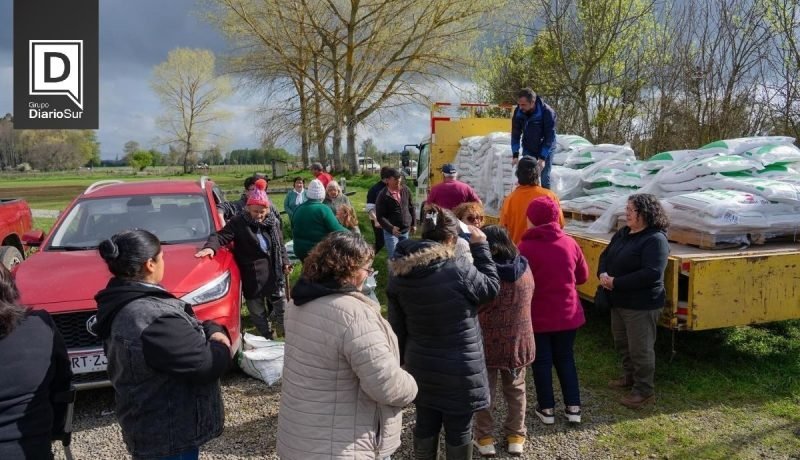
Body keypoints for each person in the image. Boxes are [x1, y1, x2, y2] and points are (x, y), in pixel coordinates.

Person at [278, 232, 418, 459]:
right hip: (342, 444)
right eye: (367, 269)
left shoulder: (297, 303)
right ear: (349, 269)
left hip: (300, 434)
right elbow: (385, 385)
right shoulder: (354, 315)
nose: (368, 275)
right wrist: (411, 385)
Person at [94, 229, 231, 460]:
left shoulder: (120, 299)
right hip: (169, 434)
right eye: (162, 257)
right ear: (150, 264)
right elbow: (205, 365)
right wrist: (218, 337)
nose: (163, 262)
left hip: (149, 424)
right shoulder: (150, 316)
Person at [387, 205, 500, 460]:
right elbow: (491, 289)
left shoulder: (399, 273)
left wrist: (401, 362)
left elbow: (397, 327)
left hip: (421, 362)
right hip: (460, 366)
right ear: (451, 238)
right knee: (459, 428)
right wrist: (481, 248)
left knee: (425, 421)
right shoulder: (458, 269)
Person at [518, 196, 589, 426]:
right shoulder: (570, 243)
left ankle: (546, 408)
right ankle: (573, 407)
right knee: (566, 359)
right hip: (568, 314)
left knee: (542, 362)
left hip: (538, 316)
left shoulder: (524, 247)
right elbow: (583, 277)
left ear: (532, 219)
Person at [598, 193, 669, 409]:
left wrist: (616, 282)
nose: (626, 213)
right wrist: (602, 274)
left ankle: (644, 391)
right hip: (618, 300)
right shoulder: (623, 233)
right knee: (622, 343)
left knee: (641, 348)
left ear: (645, 213)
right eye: (627, 209)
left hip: (641, 304)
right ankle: (629, 377)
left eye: (631, 210)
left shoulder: (655, 239)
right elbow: (605, 255)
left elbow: (651, 273)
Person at [196, 179, 291, 339]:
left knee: (281, 306)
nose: (259, 216)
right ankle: (266, 336)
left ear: (267, 210)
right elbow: (220, 237)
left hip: (274, 274)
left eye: (262, 212)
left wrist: (286, 262)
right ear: (247, 208)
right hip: (253, 275)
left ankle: (285, 333)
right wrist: (210, 247)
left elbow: (280, 246)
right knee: (257, 310)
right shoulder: (239, 222)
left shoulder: (272, 223)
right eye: (255, 212)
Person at [472, 225, 535, 457]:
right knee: (517, 391)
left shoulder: (483, 273)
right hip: (519, 341)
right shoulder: (524, 267)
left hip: (487, 343)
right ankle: (516, 436)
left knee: (484, 393)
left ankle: (485, 438)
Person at [0, 265, 72, 460]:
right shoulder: (39, 325)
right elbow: (62, 385)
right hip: (32, 448)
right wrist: (55, 430)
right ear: (8, 286)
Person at [500, 156, 565, 244]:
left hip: (519, 253)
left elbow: (503, 231)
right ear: (537, 174)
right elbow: (560, 224)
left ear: (518, 174)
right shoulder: (549, 196)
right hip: (545, 252)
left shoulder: (509, 200)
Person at [290, 179, 348, 261]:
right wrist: (352, 234)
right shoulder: (323, 209)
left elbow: (292, 228)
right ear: (322, 195)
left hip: (300, 251)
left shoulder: (298, 209)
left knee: (308, 270)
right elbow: (337, 229)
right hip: (318, 251)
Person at [511, 87, 557, 189]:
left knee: (544, 176)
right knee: (527, 176)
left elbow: (549, 137)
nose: (520, 107)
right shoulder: (519, 112)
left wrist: (542, 158)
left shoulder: (547, 113)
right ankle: (528, 201)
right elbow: (515, 133)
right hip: (529, 146)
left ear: (532, 103)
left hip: (546, 147)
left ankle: (546, 201)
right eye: (519, 104)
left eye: (523, 105)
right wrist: (515, 154)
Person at [375, 167, 416, 259]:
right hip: (391, 233)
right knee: (394, 258)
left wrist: (414, 224)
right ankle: (393, 273)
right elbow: (380, 217)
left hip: (405, 230)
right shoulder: (382, 195)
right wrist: (391, 228)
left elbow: (411, 207)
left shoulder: (406, 190)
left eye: (399, 179)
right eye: (396, 180)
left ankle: (403, 273)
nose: (398, 182)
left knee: (405, 257)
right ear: (387, 180)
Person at [366, 167, 390, 253]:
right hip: (378, 219)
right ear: (386, 178)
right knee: (380, 242)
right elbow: (369, 208)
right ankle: (365, 257)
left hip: (390, 219)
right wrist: (376, 220)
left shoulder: (393, 187)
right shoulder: (374, 189)